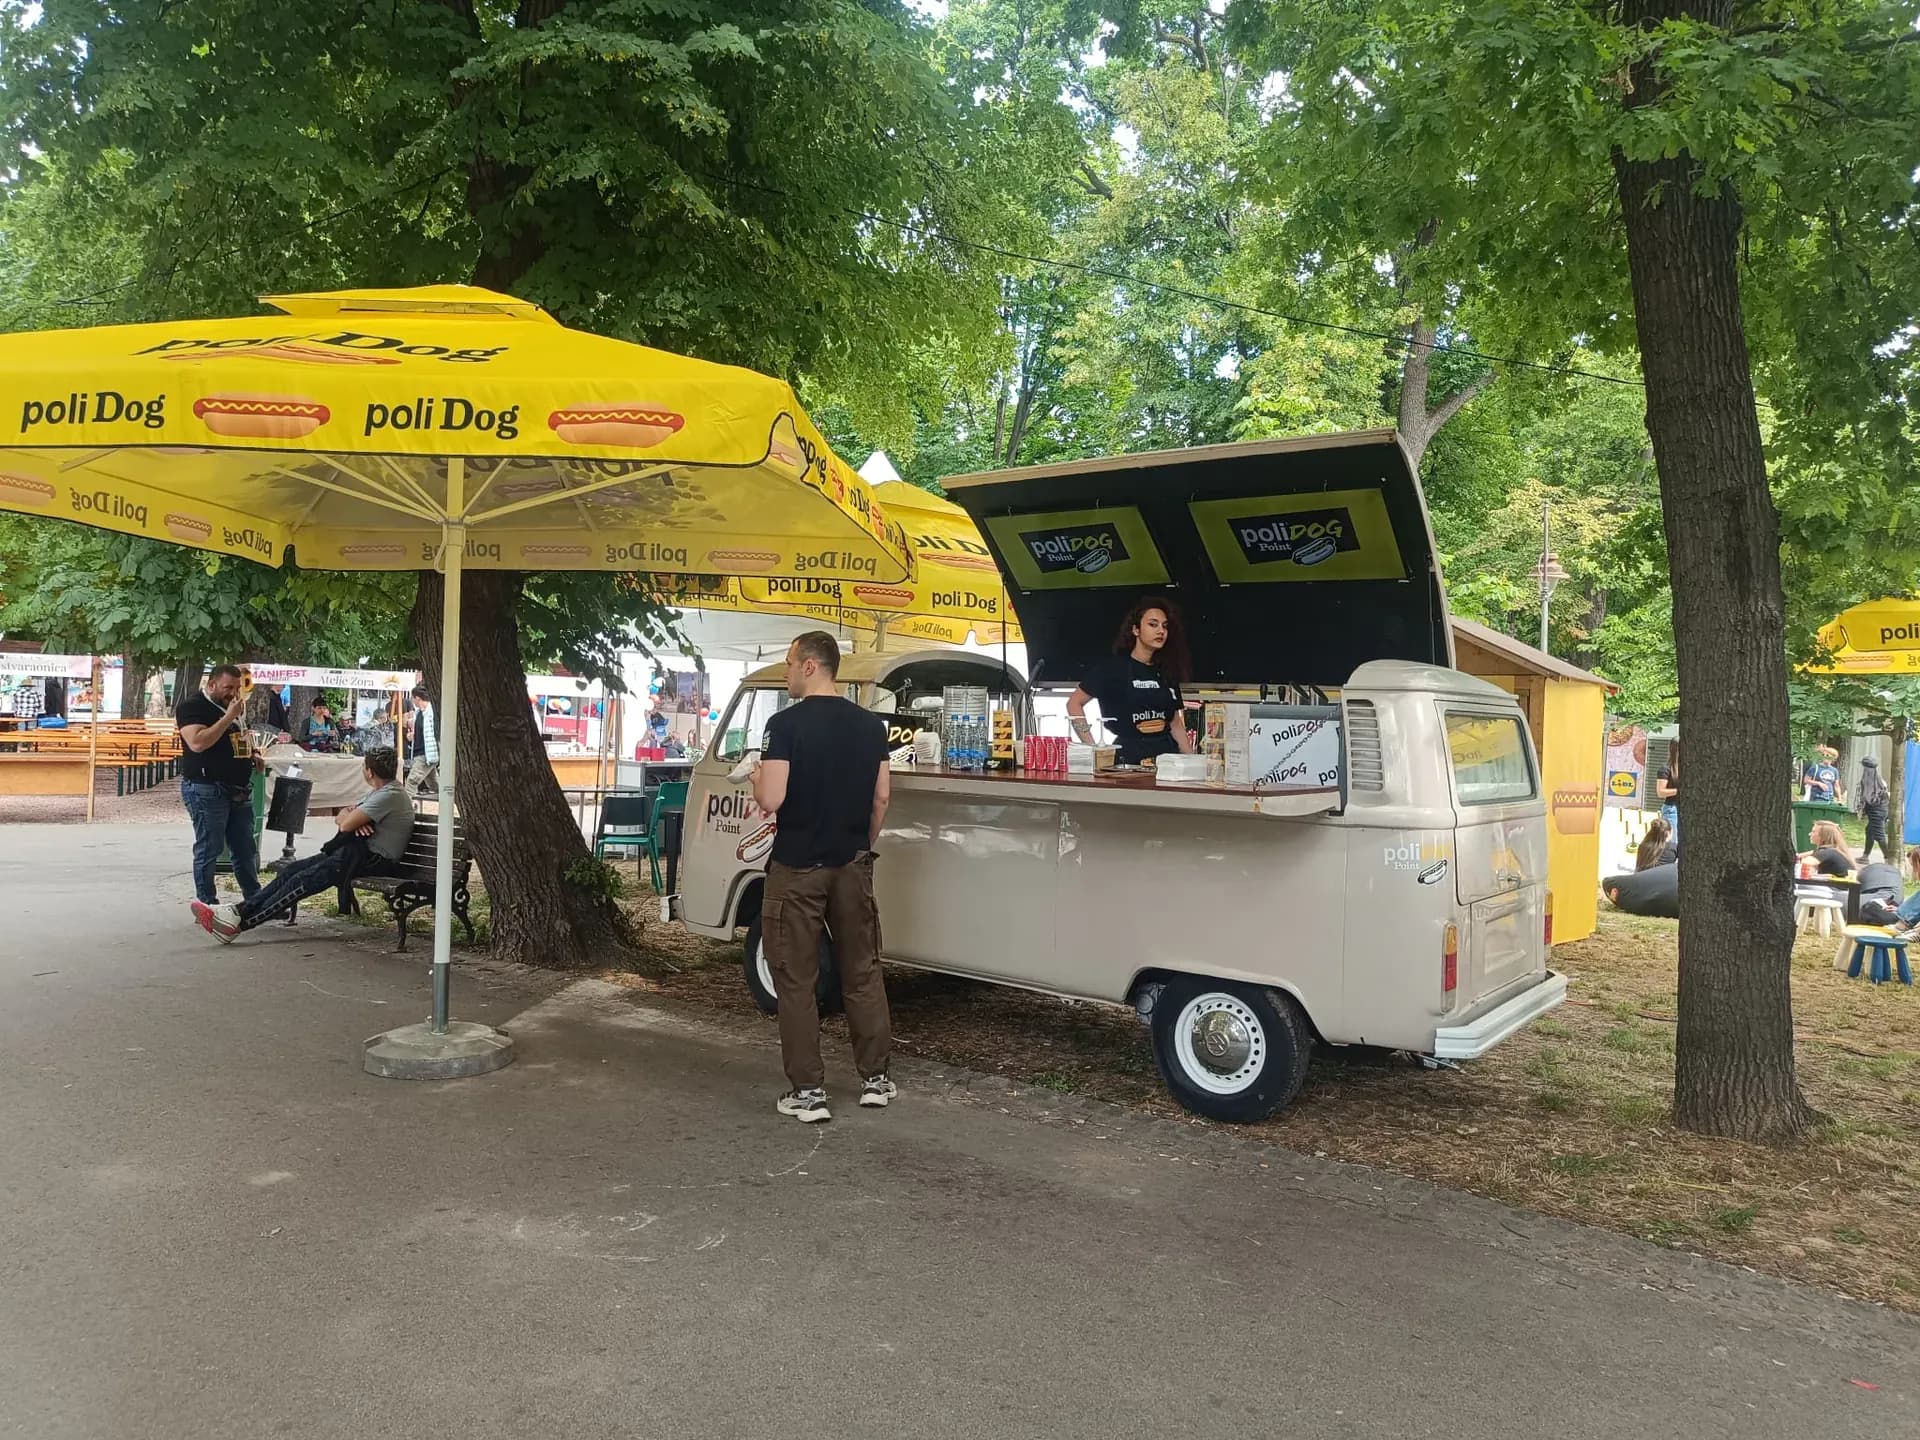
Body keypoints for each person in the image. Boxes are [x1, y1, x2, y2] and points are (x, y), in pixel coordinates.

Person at [749, 630, 894, 1123]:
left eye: (790, 662)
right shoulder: (872, 727)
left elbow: (772, 799)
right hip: (853, 864)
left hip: (796, 867)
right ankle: (876, 1079)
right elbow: (881, 798)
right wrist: (861, 844)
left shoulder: (784, 725)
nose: (786, 672)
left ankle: (808, 1092)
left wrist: (753, 775)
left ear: (811, 666)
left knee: (795, 978)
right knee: (862, 970)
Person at [190, 748, 412, 941]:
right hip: (354, 854)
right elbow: (344, 815)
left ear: (369, 771)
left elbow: (345, 825)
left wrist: (351, 819)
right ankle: (237, 912)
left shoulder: (389, 795)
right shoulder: (379, 792)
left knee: (302, 881)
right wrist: (351, 817)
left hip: (372, 860)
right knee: (291, 870)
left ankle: (239, 925)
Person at [1066, 595, 1198, 766]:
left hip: (1167, 761)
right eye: (1153, 624)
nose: (1161, 631)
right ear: (1136, 630)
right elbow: (1074, 703)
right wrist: (1091, 746)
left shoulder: (1166, 671)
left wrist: (1192, 763)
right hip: (1127, 760)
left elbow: (1175, 723)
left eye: (1165, 626)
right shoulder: (1111, 669)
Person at [177, 663, 263, 909]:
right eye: (228, 688)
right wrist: (228, 717)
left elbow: (233, 739)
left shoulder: (234, 707)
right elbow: (197, 743)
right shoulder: (192, 707)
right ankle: (207, 904)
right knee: (210, 847)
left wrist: (251, 754)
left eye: (237, 688)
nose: (233, 693)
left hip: (238, 786)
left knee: (245, 848)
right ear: (211, 684)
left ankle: (255, 900)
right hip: (207, 787)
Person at [1857, 755, 1892, 862]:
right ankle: (1865, 856)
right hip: (1883, 809)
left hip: (1876, 811)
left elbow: (1868, 799)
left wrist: (1861, 809)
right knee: (1870, 831)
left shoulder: (1868, 781)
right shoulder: (1879, 779)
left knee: (1879, 834)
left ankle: (1889, 859)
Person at [406, 684, 439, 793]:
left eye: (412, 698)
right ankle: (448, 802)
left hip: (426, 752)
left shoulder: (431, 712)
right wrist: (413, 735)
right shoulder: (419, 713)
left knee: (412, 781)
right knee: (433, 783)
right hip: (420, 751)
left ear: (417, 698)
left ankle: (404, 807)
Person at [1655, 742, 1680, 846]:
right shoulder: (1666, 769)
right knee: (1672, 843)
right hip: (1672, 808)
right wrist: (1679, 791)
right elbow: (1660, 792)